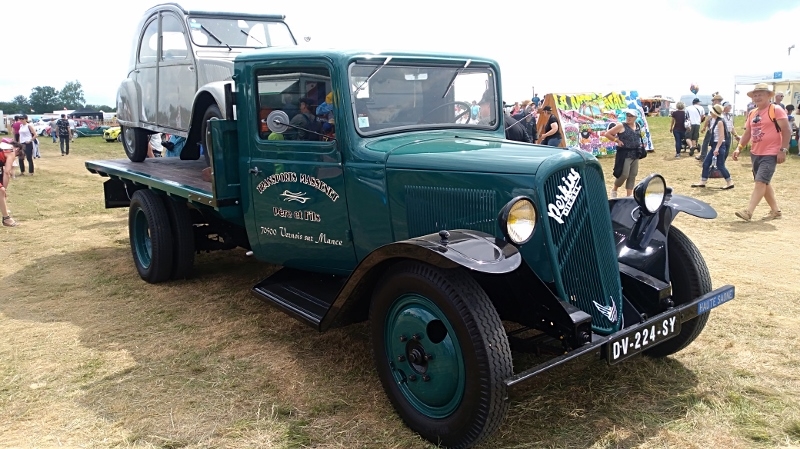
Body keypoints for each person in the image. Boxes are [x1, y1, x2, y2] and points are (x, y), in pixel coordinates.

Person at [732, 83, 791, 221]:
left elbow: (786, 130)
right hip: (755, 153)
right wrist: (739, 147)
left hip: (771, 152)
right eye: (755, 95)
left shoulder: (775, 110)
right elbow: (748, 133)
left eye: (760, 94)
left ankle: (748, 212)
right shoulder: (752, 113)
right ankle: (776, 211)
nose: (757, 97)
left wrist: (783, 150)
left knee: (760, 182)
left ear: (768, 96)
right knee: (764, 183)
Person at [691, 104, 734, 189]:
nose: (710, 113)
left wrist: (717, 148)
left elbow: (721, 136)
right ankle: (703, 181)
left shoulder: (720, 122)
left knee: (720, 165)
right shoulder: (715, 120)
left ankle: (729, 182)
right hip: (715, 145)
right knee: (706, 163)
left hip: (719, 145)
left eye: (712, 112)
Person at [605, 110, 645, 198]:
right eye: (627, 115)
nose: (628, 118)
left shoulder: (637, 125)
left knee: (633, 174)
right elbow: (607, 134)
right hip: (625, 153)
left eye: (631, 116)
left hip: (635, 153)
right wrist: (617, 140)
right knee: (624, 174)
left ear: (635, 117)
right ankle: (614, 189)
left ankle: (629, 195)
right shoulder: (621, 126)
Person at [697, 94, 723, 160]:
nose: (712, 102)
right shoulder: (721, 108)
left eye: (713, 101)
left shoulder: (713, 109)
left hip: (712, 128)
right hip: (718, 128)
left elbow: (708, 119)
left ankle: (703, 156)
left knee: (706, 142)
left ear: (716, 100)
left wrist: (704, 127)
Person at [0, 139, 17, 227]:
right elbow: (7, 172)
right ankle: (6, 218)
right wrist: (4, 189)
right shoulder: (11, 152)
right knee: (1, 191)